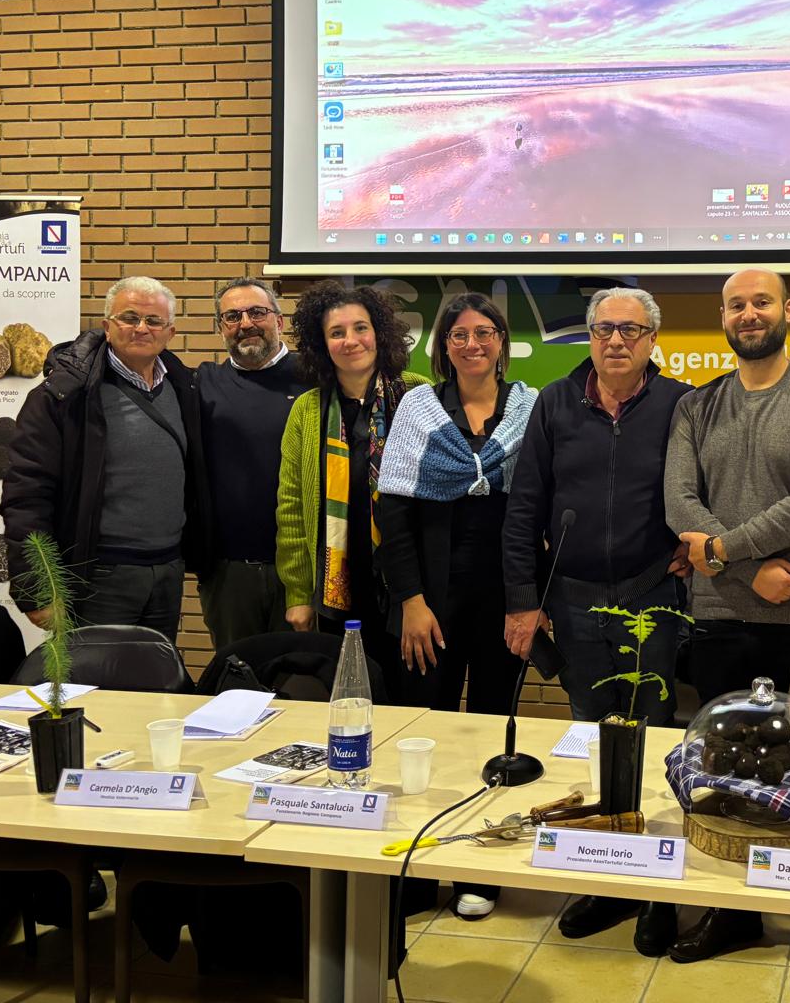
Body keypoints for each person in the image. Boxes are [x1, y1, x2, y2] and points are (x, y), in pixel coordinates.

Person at [663, 268, 790, 996]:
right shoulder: (696, 405)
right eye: (737, 304)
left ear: (788, 311)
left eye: (762, 302)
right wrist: (740, 572)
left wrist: (718, 553)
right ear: (723, 317)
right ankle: (733, 911)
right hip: (721, 617)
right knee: (723, 775)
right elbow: (680, 500)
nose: (750, 314)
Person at [501, 286, 691, 956]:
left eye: (632, 330)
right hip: (575, 601)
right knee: (596, 733)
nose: (617, 341)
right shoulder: (555, 401)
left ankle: (658, 891)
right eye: (606, 328)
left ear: (651, 339)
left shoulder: (677, 404)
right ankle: (611, 879)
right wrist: (524, 600)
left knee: (653, 736)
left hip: (651, 595)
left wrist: (697, 550)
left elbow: (699, 490)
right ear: (589, 336)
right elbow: (525, 504)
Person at [374, 292, 538, 921]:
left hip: (503, 599)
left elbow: (535, 512)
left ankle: (481, 872)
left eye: (485, 332)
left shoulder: (530, 408)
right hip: (429, 603)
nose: (473, 343)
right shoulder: (417, 408)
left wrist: (527, 603)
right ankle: (418, 873)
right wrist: (412, 602)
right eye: (460, 334)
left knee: (496, 734)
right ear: (442, 345)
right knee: (428, 734)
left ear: (502, 341)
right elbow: (393, 510)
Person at [2, 275, 208, 640]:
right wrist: (35, 587)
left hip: (166, 570)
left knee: (155, 685)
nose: (142, 328)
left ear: (171, 331)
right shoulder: (64, 397)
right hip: (97, 575)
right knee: (94, 686)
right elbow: (27, 495)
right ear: (107, 327)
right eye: (129, 318)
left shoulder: (183, 388)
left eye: (154, 321)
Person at [275, 281, 414, 688]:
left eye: (360, 328)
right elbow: (291, 507)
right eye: (337, 333)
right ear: (322, 344)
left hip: (403, 587)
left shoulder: (416, 394)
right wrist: (298, 594)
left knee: (407, 695)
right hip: (337, 590)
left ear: (379, 333)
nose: (350, 340)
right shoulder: (307, 410)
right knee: (349, 695)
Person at [194, 277, 300, 651]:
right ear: (220, 327)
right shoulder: (202, 383)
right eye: (232, 316)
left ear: (279, 320)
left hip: (303, 571)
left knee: (302, 684)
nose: (246, 323)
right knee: (236, 683)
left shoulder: (316, 379)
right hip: (229, 573)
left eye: (257, 312)